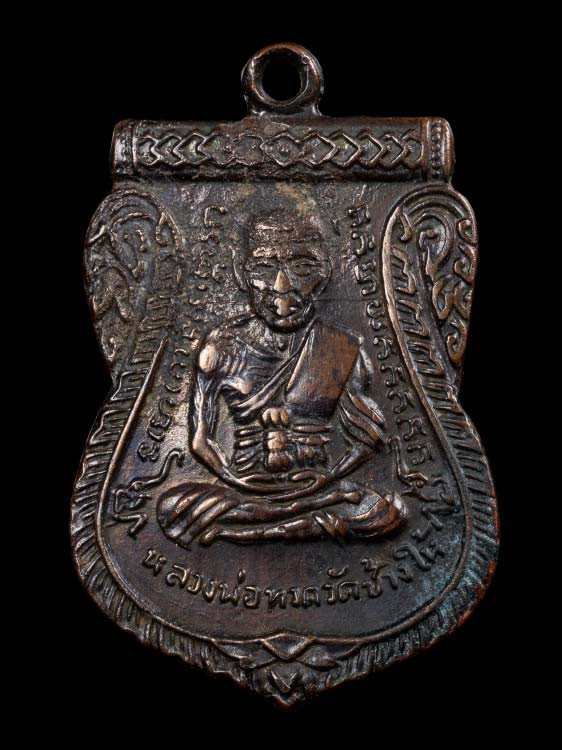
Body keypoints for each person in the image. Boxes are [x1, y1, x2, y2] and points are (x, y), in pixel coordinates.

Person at [157, 208, 404, 545]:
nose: (281, 286)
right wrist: (235, 480)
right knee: (172, 506)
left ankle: (254, 527)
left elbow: (366, 440)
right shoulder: (221, 347)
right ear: (242, 274)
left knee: (385, 510)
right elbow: (200, 439)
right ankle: (296, 517)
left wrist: (328, 477)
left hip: (318, 484)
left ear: (325, 273)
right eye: (264, 268)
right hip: (245, 487)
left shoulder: (341, 346)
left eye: (302, 268)